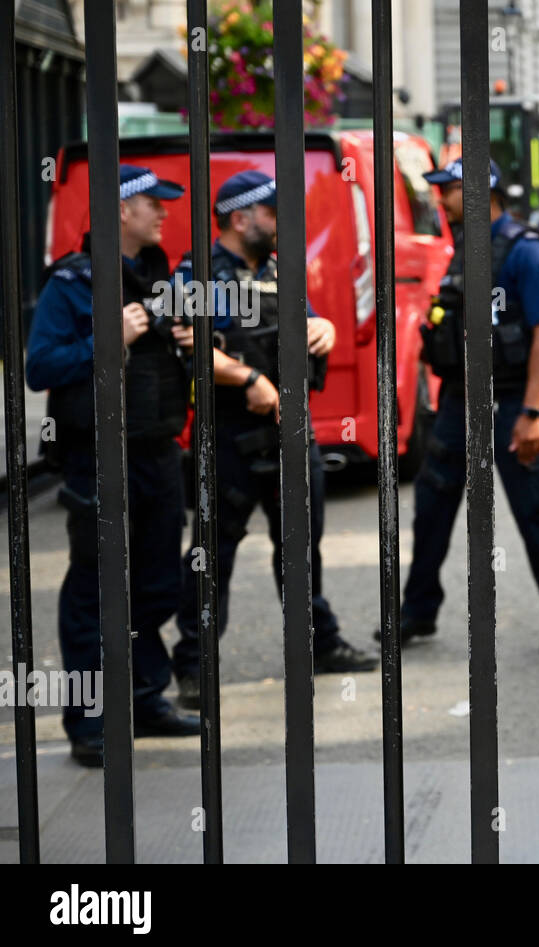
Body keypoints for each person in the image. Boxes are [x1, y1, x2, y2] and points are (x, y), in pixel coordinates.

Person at [172, 170, 377, 708]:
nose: (284, 221)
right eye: (272, 212)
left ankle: (318, 643)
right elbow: (188, 347)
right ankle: (195, 665)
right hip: (231, 433)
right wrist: (250, 380)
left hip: (290, 431)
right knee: (213, 554)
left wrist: (326, 328)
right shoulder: (198, 273)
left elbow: (306, 325)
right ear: (241, 219)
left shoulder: (277, 270)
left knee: (300, 546)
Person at [26, 165, 201, 766]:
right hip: (96, 456)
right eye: (155, 204)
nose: (164, 214)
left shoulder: (160, 276)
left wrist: (191, 340)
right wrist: (107, 341)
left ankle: (146, 697)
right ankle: (90, 721)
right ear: (121, 210)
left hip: (155, 451)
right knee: (93, 590)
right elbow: (40, 367)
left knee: (159, 583)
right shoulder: (72, 283)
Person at [387, 158, 539, 655]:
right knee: (432, 507)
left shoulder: (520, 248)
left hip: (508, 401)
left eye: (447, 190)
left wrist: (531, 412)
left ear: (477, 191)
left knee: (535, 509)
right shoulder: (464, 247)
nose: (440, 199)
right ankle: (417, 613)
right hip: (457, 403)